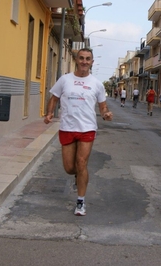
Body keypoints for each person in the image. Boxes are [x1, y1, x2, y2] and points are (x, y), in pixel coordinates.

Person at [43, 48, 113, 216]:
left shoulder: (97, 84)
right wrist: (50, 113)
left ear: (92, 62)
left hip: (87, 128)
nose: (84, 61)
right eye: (81, 58)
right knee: (69, 167)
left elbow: (103, 107)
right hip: (67, 127)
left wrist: (106, 114)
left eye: (87, 59)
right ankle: (78, 177)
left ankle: (80, 201)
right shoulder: (65, 80)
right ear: (76, 60)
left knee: (81, 164)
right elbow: (54, 98)